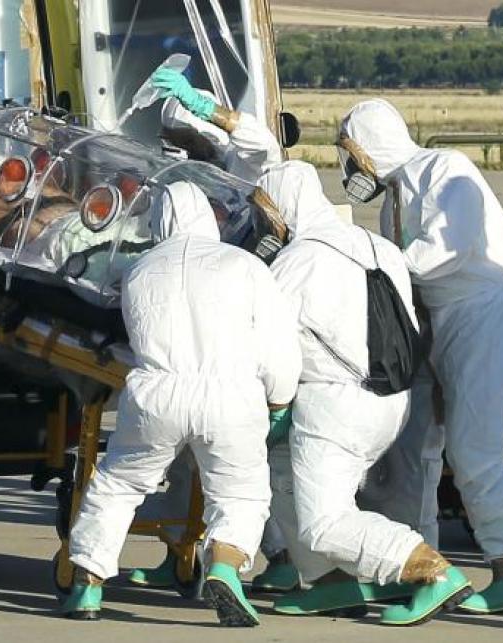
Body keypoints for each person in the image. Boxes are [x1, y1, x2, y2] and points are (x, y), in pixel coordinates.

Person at [61, 181, 302, 626]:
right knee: (240, 493)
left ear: (159, 222)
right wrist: (280, 399)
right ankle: (226, 567)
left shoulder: (139, 270)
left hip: (157, 393)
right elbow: (277, 344)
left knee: (118, 486)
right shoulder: (244, 265)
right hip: (230, 395)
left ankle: (87, 584)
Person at [339, 98, 503, 614]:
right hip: (435, 321)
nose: (349, 167)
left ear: (368, 144)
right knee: (408, 450)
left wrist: (381, 270)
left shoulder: (446, 169)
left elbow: (448, 249)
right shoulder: (392, 200)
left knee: (475, 453)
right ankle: (419, 565)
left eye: (349, 152)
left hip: (481, 315)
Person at [256, 160, 473, 626]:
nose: (265, 224)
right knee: (280, 472)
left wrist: (270, 404)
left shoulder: (295, 261)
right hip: (391, 400)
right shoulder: (376, 245)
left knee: (325, 521)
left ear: (283, 209)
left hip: (332, 407)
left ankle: (432, 571)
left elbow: (270, 346)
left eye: (266, 212)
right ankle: (330, 583)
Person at [128, 70, 300, 596]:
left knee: (241, 466)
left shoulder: (239, 170)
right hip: (191, 331)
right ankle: (181, 553)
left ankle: (281, 556)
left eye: (186, 140)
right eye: (172, 144)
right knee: (182, 459)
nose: (179, 151)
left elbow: (262, 142)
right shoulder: (172, 193)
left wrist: (199, 105)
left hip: (243, 325)